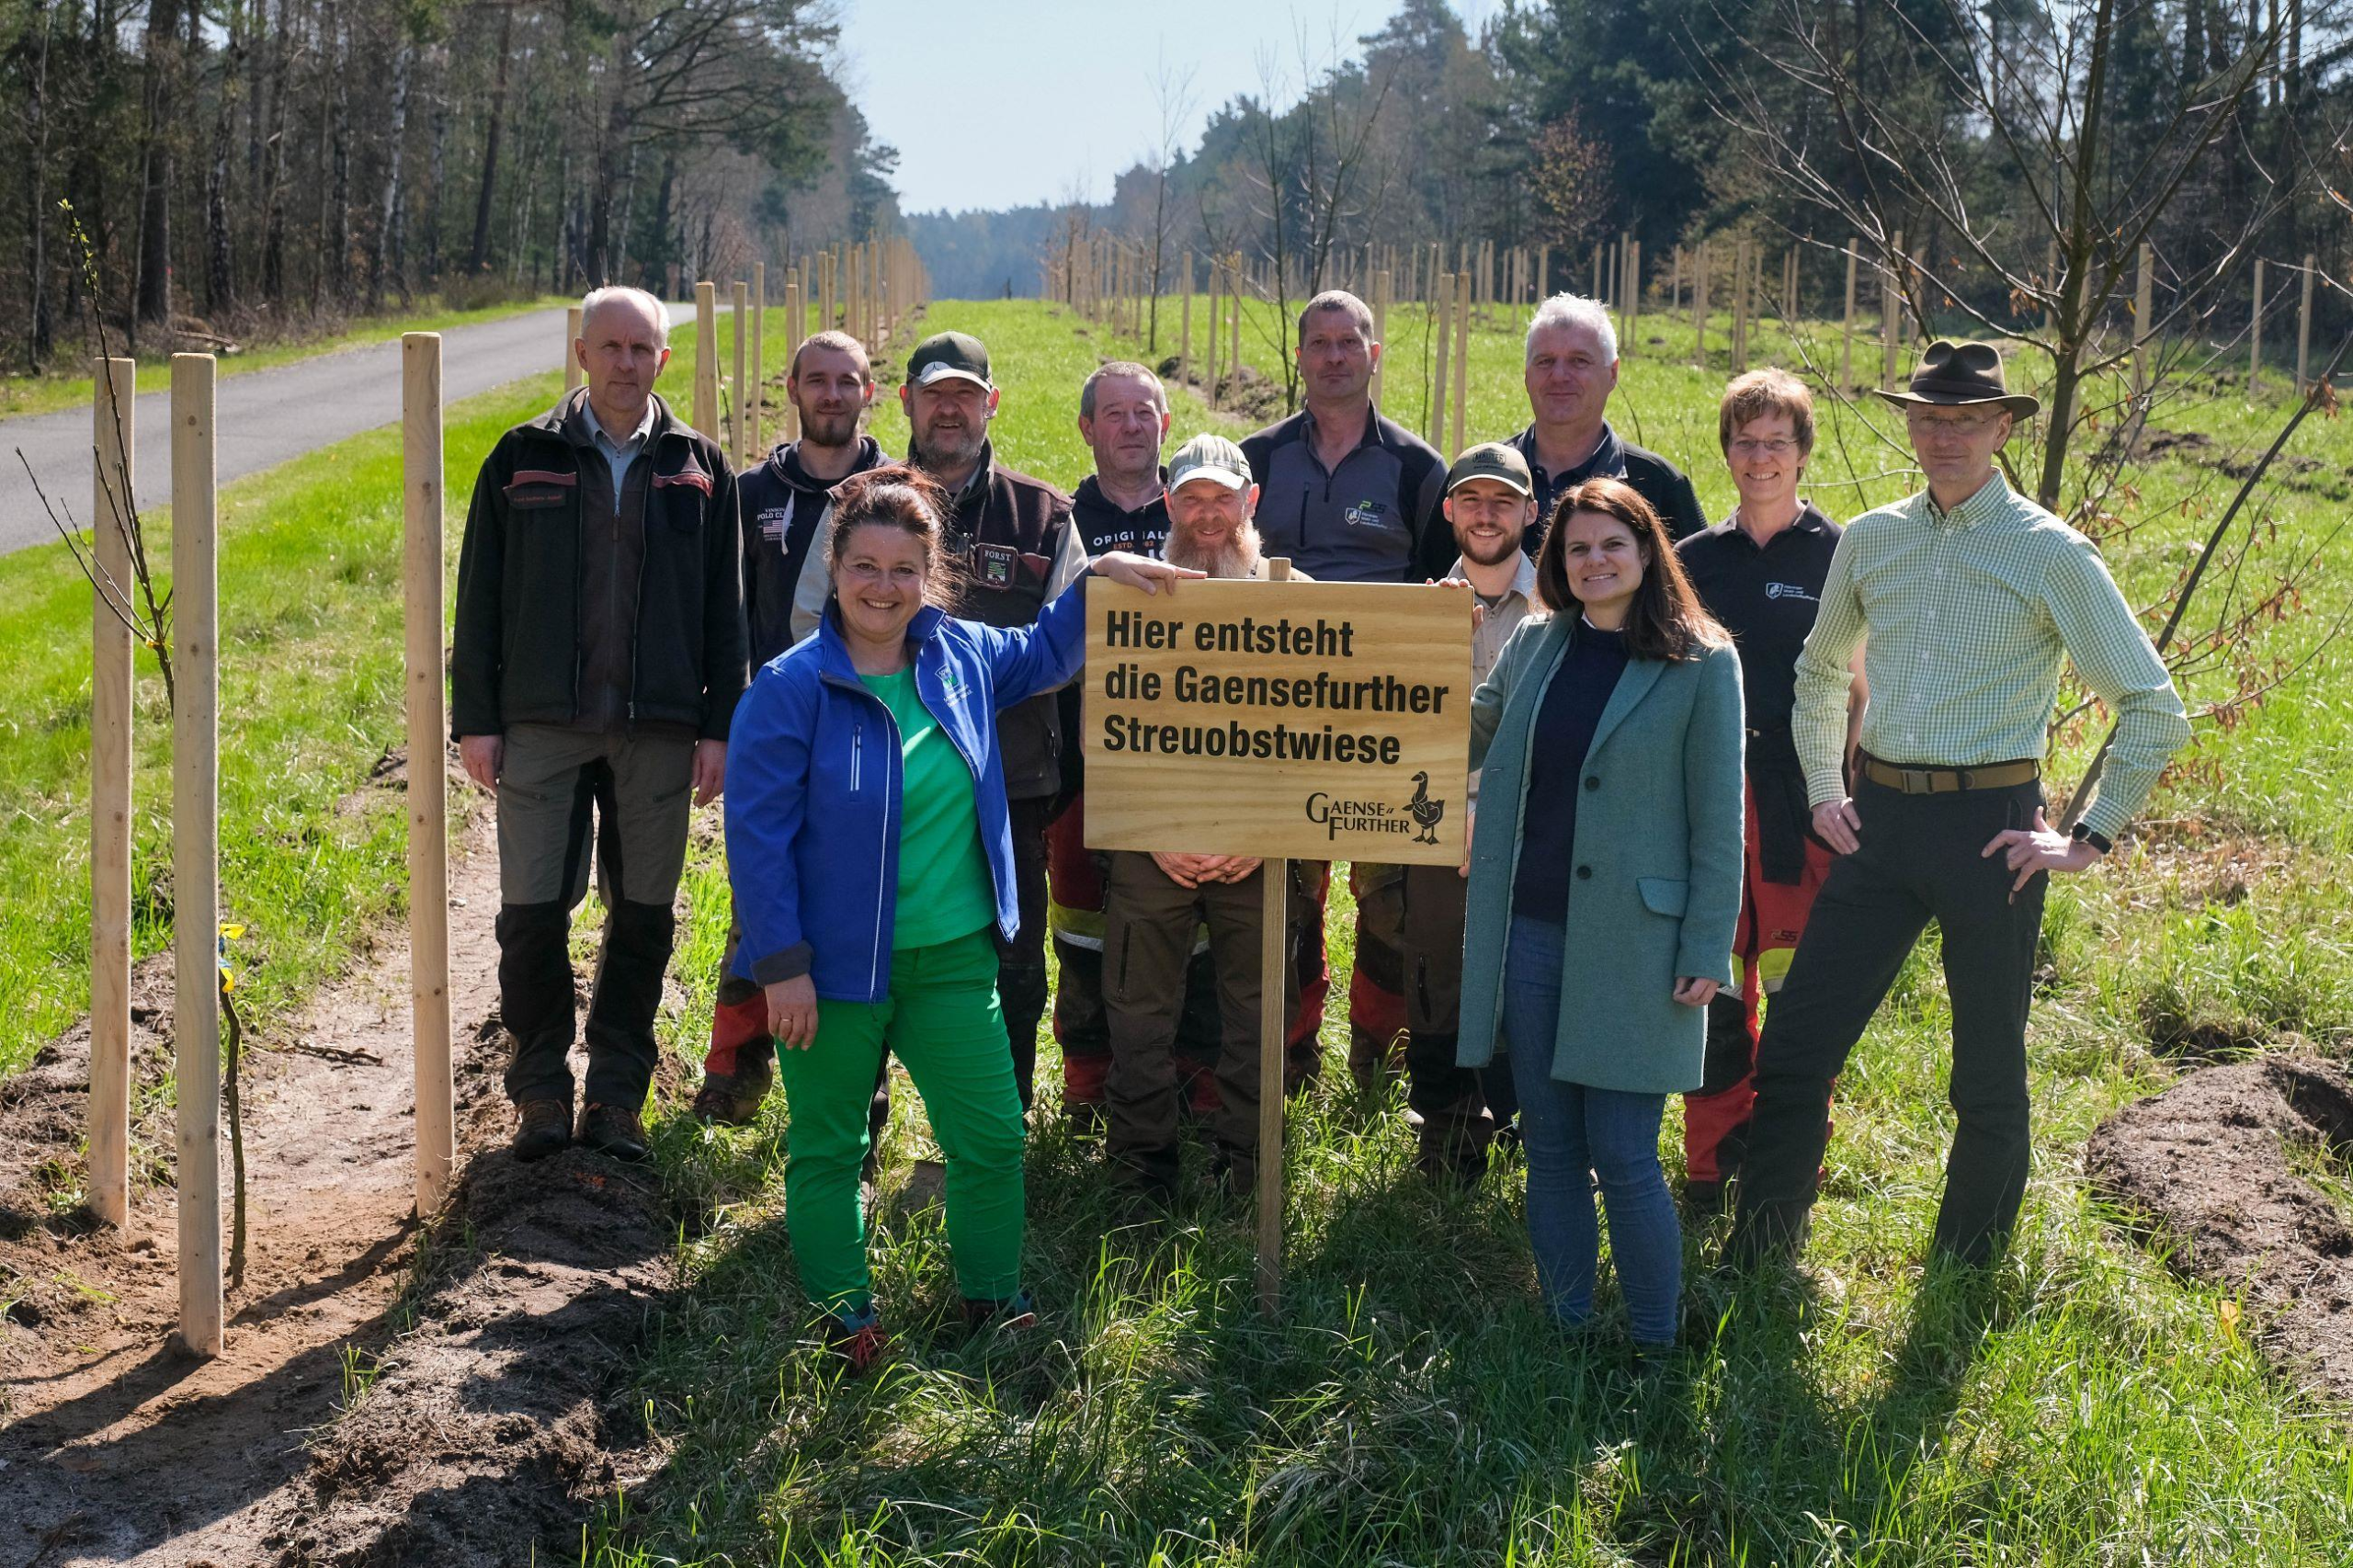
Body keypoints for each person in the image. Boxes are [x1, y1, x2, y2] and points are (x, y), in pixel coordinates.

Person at [1728, 341, 2191, 1270]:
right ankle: (1759, 1251)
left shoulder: (2049, 552)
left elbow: (2153, 706)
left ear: (2003, 427)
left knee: (1985, 1073)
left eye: (1967, 419)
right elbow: (1818, 671)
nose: (1945, 436)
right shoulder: (1871, 538)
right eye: (1930, 417)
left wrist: (2085, 837)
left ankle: (1964, 1270)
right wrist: (1826, 790)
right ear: (1908, 421)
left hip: (1994, 830)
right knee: (1795, 1045)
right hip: (1879, 819)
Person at [726, 465, 1192, 1370]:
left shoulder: (962, 655)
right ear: (837, 563)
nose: (882, 586)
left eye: (904, 568)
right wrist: (778, 963)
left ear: (930, 572)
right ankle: (843, 1318)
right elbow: (757, 838)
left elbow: (1049, 649)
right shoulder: (789, 688)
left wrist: (1099, 579)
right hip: (829, 970)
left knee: (991, 1137)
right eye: (865, 564)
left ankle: (990, 1295)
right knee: (829, 1146)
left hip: (951, 958)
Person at [450, 285, 745, 1165]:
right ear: (582, 356)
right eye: (610, 347)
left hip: (657, 728)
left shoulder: (699, 466)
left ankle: (617, 1097)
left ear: (664, 357)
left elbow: (723, 613)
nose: (626, 363)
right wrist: (477, 719)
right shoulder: (521, 457)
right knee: (530, 915)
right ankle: (540, 1092)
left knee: (644, 917)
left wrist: (717, 725)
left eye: (642, 349)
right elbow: (479, 599)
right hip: (541, 723)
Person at [1455, 477, 1744, 1356]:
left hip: (1640, 945)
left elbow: (1717, 819)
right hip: (1533, 930)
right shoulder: (1540, 642)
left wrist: (1706, 942)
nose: (1593, 561)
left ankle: (1656, 1344)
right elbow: (1470, 731)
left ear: (1649, 550)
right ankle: (1569, 1331)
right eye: (1577, 548)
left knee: (1622, 1152)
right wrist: (1419, 651)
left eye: (1611, 545)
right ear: (1559, 561)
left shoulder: (1702, 661)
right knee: (1549, 1145)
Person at [793, 330, 1089, 1113]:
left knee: (1015, 965)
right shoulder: (856, 506)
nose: (950, 409)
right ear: (907, 402)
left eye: (966, 393)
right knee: (863, 957)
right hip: (865, 779)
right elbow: (803, 629)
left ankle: (1002, 1123)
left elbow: (1069, 648)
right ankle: (860, 1126)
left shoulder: (1046, 515)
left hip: (1010, 784)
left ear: (991, 403)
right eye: (935, 393)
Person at [1239, 290, 1449, 1092]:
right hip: (1275, 720)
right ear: (1299, 357)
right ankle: (1290, 1059)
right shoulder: (1256, 460)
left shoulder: (1417, 468)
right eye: (1319, 343)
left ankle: (1378, 1057)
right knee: (1285, 897)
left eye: (1348, 341)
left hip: (1383, 719)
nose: (1334, 356)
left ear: (1374, 352)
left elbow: (1440, 595)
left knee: (1391, 901)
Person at [1672, 369, 1862, 1210]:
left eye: (1775, 443)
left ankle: (1786, 1174)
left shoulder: (1843, 553)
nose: (1759, 458)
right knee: (1709, 993)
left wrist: (1853, 791)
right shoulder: (1690, 562)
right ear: (1726, 451)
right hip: (1709, 801)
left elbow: (1866, 689)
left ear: (1803, 453)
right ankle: (1710, 1170)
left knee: (1795, 1001)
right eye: (1744, 442)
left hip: (1805, 806)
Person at [1099, 435, 1305, 1204]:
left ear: (1250, 503)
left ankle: (1249, 1172)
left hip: (1260, 846)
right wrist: (1153, 829)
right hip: (1153, 841)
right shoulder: (1130, 594)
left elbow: (1328, 735)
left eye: (1223, 498)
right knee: (1138, 1014)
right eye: (1193, 498)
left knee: (1258, 1015)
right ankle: (1138, 1172)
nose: (1208, 514)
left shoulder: (1296, 596)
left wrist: (1263, 831)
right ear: (1168, 504)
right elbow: (1102, 724)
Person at [693, 329, 888, 1126]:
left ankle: (858, 1089)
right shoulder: (748, 495)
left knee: (854, 908)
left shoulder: (892, 494)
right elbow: (721, 614)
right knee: (759, 900)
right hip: (774, 732)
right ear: (792, 388)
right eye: (818, 380)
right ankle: (735, 1070)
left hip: (860, 733)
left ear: (869, 391)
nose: (832, 394)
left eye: (848, 381)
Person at [1050, 364, 1225, 1128]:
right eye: (1113, 414)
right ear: (1087, 428)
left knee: (1196, 928)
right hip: (1083, 761)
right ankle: (1090, 1083)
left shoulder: (1197, 509)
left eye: (1144, 412)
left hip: (1193, 767)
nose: (1129, 426)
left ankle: (1191, 1081)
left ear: (1165, 423)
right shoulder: (1062, 519)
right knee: (1084, 926)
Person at [1395, 442, 1543, 1182]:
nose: (1487, 515)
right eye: (1472, 500)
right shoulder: (1420, 608)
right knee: (1436, 965)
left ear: (1530, 511)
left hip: (1533, 822)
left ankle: (1527, 1124)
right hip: (1441, 823)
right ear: (1449, 510)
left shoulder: (1564, 603)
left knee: (1532, 966)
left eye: (1504, 501)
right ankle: (1449, 1130)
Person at [1511, 294, 1708, 549]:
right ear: (1527, 376)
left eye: (1578, 361)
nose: (1559, 375)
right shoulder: (1482, 479)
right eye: (1545, 361)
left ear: (1612, 374)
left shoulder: (1659, 486)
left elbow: (1694, 586)